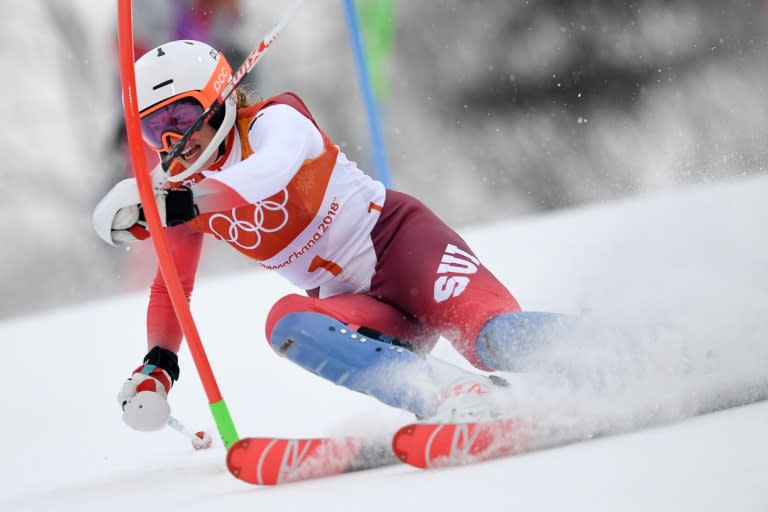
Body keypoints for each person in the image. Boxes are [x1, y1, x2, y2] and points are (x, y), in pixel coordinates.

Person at [93, 40, 562, 432]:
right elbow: (171, 288)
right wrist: (158, 365)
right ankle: (450, 397)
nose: (174, 142)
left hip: (407, 249)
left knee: (493, 341)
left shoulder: (275, 121)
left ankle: (610, 348)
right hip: (363, 306)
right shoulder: (182, 192)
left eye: (180, 117)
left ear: (219, 99)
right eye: (154, 129)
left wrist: (175, 204)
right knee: (287, 323)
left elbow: (268, 174)